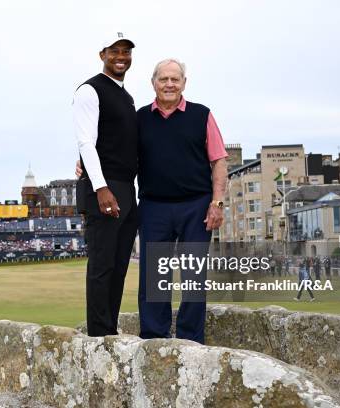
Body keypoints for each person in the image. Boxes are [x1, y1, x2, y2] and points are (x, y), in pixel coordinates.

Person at [136, 59, 228, 343]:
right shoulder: (139, 118)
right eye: (163, 79)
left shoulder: (202, 115)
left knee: (193, 278)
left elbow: (219, 161)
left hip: (196, 206)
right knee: (154, 278)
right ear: (154, 83)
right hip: (153, 207)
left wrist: (218, 203)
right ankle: (154, 338)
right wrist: (84, 163)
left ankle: (190, 340)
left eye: (175, 79)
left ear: (184, 83)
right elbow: (118, 153)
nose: (169, 84)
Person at [73, 32, 139, 336]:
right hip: (105, 188)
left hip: (126, 187)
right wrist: (100, 187)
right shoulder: (89, 90)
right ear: (102, 54)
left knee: (119, 265)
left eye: (126, 51)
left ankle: (109, 328)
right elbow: (86, 143)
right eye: (115, 51)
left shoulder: (126, 96)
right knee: (102, 265)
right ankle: (99, 333)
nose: (121, 56)